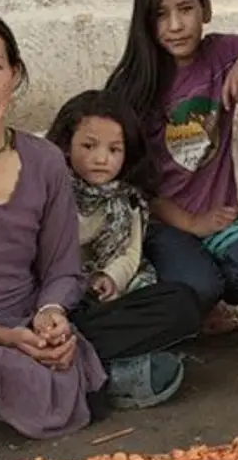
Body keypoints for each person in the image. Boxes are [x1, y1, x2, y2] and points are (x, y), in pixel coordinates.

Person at [0, 10, 202, 440]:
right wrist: (5, 337)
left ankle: (12, 384)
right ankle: (89, 375)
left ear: (14, 74)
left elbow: (61, 269)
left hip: (35, 324)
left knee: (180, 303)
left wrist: (52, 316)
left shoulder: (45, 161)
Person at [105, 0, 238, 334]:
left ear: (205, 9)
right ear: (146, 22)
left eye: (186, 9)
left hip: (220, 216)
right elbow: (133, 187)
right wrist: (192, 223)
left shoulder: (221, 54)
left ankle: (209, 298)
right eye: (161, 15)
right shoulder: (133, 87)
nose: (175, 26)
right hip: (163, 223)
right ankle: (194, 294)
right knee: (198, 285)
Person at [45, 89, 157, 301]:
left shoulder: (127, 198)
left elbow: (130, 254)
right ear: (67, 145)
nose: (101, 159)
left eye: (114, 150)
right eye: (88, 146)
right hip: (51, 288)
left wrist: (110, 277)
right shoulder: (48, 185)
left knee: (172, 301)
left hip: (99, 290)